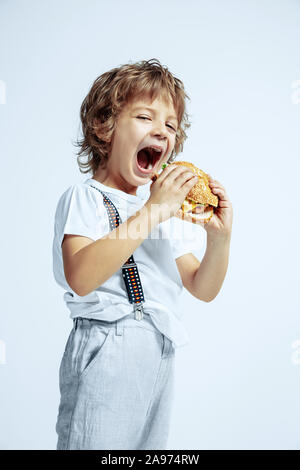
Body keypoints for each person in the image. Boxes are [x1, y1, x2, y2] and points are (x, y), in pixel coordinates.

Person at [52, 58, 233, 450]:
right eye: (146, 118)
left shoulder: (163, 212)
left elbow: (201, 287)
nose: (161, 131)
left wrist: (220, 240)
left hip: (160, 351)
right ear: (106, 127)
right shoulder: (87, 198)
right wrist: (151, 211)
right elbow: (81, 277)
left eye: (170, 125)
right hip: (107, 345)